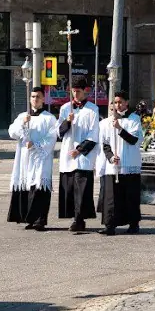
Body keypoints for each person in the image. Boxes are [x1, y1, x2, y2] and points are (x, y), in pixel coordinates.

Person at [7, 87, 57, 231]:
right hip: (25, 158)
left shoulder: (49, 118)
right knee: (26, 187)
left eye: (38, 97)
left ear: (43, 99)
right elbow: (12, 132)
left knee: (39, 187)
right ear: (30, 99)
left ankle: (40, 220)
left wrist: (35, 144)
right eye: (33, 96)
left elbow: (52, 137)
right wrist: (23, 123)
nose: (35, 99)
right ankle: (29, 219)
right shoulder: (23, 116)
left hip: (41, 158)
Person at [57, 76, 100, 232]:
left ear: (85, 91)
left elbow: (94, 133)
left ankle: (79, 219)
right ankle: (73, 216)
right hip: (68, 154)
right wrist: (67, 122)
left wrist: (79, 149)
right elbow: (59, 132)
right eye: (73, 92)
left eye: (78, 92)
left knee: (82, 189)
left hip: (83, 156)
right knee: (70, 188)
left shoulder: (93, 109)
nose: (75, 95)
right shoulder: (65, 108)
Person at [97, 91, 143, 236]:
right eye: (115, 102)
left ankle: (133, 224)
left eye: (120, 102)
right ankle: (110, 225)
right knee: (111, 198)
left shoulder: (134, 119)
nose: (118, 105)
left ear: (126, 103)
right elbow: (105, 144)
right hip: (113, 166)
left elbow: (134, 140)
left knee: (130, 196)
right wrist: (111, 157)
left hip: (130, 164)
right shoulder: (106, 122)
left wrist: (120, 129)